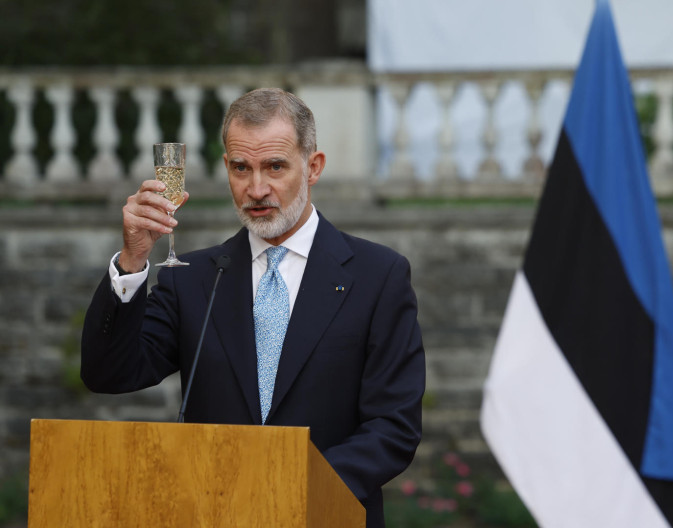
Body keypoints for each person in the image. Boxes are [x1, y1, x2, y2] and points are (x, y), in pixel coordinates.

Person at [80, 88, 425, 527]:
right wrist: (132, 261)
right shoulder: (193, 277)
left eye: (275, 166)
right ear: (226, 168)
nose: (256, 188)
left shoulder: (380, 275)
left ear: (313, 166)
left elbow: (394, 426)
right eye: (241, 168)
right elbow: (109, 373)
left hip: (324, 513)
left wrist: (286, 486)